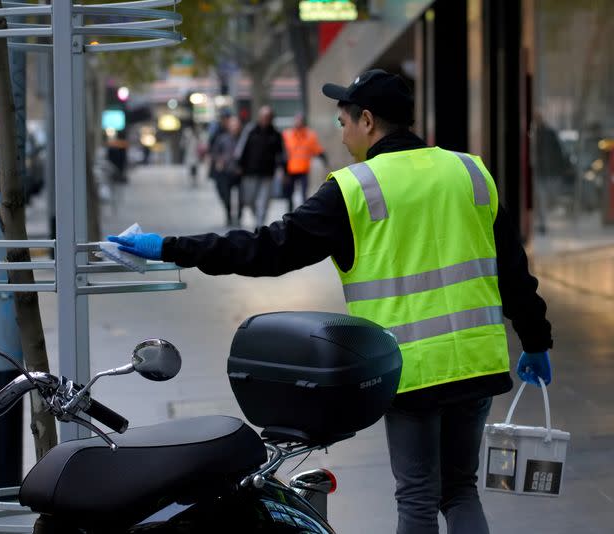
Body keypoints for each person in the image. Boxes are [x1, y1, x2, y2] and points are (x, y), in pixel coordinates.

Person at [109, 69, 553, 534]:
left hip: (413, 371)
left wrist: (170, 247)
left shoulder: (354, 189)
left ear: (367, 120)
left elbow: (268, 249)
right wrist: (536, 340)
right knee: (460, 488)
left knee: (417, 495)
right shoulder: (470, 171)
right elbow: (513, 271)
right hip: (477, 364)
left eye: (343, 123)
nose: (340, 137)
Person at [234, 105, 286, 226]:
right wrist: (239, 165)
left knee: (264, 202)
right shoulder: (250, 131)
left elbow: (282, 154)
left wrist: (283, 170)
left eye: (268, 117)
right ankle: (258, 217)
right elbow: (241, 149)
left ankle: (260, 225)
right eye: (263, 117)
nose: (265, 119)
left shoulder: (276, 134)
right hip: (250, 173)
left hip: (268, 174)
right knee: (249, 200)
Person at [282, 113, 327, 213]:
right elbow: (282, 151)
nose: (298, 123)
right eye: (296, 120)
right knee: (289, 193)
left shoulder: (310, 135)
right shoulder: (287, 134)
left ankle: (302, 212)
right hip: (290, 169)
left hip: (303, 169)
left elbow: (317, 149)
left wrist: (324, 159)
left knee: (303, 193)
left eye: (300, 120)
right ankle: (290, 211)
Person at [210, 116, 243, 226]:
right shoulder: (222, 138)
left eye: (237, 125)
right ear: (229, 127)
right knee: (226, 196)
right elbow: (214, 153)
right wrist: (218, 161)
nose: (235, 128)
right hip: (226, 172)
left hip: (240, 172)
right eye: (233, 125)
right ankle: (228, 215)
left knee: (242, 197)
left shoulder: (243, 139)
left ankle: (239, 217)